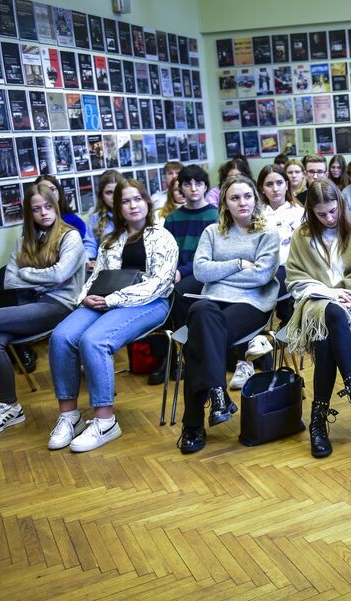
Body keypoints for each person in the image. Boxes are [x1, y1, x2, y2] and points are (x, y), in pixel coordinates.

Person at [48, 179, 177, 452]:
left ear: (147, 202)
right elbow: (96, 276)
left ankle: (105, 422)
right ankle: (69, 415)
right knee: (61, 336)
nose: (132, 205)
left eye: (137, 199)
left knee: (94, 341)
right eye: (125, 201)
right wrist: (85, 296)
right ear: (117, 208)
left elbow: (160, 284)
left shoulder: (162, 237)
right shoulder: (112, 240)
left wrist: (112, 300)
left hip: (150, 303)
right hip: (106, 300)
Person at [0, 185, 86, 437]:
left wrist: (27, 273)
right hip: (29, 305)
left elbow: (61, 274)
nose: (44, 213)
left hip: (61, 306)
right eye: (36, 209)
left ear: (55, 206)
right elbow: (10, 281)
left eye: (47, 206)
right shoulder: (25, 240)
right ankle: (10, 408)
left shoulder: (71, 236)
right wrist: (41, 278)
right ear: (29, 213)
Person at [177, 175, 280, 454]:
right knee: (199, 310)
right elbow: (200, 272)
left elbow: (261, 276)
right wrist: (237, 263)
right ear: (224, 203)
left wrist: (221, 272)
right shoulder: (212, 232)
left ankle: (193, 425)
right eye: (234, 198)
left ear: (256, 199)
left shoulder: (268, 234)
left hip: (252, 305)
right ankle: (218, 395)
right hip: (212, 302)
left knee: (196, 342)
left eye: (247, 196)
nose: (242, 202)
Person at [284, 179, 351, 457]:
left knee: (328, 336)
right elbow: (295, 281)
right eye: (321, 214)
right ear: (311, 212)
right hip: (313, 303)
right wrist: (330, 293)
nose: (329, 218)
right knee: (332, 312)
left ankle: (318, 423)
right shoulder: (302, 237)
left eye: (333, 211)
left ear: (341, 205)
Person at [164, 164, 219, 332]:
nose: (193, 188)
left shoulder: (215, 215)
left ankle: (187, 339)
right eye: (187, 184)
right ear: (180, 188)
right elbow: (167, 252)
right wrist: (172, 271)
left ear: (206, 187)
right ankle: (170, 350)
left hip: (205, 271)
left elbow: (213, 254)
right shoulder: (172, 218)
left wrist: (182, 272)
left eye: (199, 183)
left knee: (178, 292)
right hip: (176, 272)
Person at [257, 164, 305, 326]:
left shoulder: (298, 212)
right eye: (269, 184)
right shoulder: (256, 213)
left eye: (279, 183)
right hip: (260, 267)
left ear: (287, 185)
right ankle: (256, 334)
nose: (275, 188)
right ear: (262, 189)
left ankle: (287, 320)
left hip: (289, 266)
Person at [84, 171, 125, 268]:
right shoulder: (95, 218)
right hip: (106, 269)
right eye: (109, 193)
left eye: (117, 192)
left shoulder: (133, 213)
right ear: (101, 195)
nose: (114, 197)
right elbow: (90, 246)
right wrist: (87, 260)